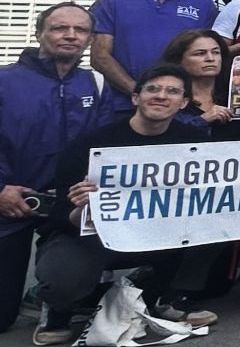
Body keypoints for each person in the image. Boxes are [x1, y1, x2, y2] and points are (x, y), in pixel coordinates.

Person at [33, 64, 216, 341]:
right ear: (135, 98)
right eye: (152, 89)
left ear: (184, 103)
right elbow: (59, 215)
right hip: (90, 236)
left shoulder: (193, 141)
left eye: (172, 91)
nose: (161, 96)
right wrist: (80, 209)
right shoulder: (91, 144)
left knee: (221, 227)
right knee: (64, 277)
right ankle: (59, 306)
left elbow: (222, 193)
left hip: (157, 232)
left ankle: (163, 296)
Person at [0, 4, 111, 336]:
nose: (70, 35)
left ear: (90, 39)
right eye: (60, 28)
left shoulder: (97, 84)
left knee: (69, 277)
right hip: (9, 201)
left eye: (80, 30)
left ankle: (52, 296)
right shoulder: (5, 81)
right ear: (39, 34)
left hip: (66, 204)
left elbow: (104, 149)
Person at [88, 0, 217, 112]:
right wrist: (138, 91)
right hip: (122, 107)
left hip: (183, 109)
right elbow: (100, 57)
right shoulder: (112, 2)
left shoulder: (203, 4)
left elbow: (210, 57)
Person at [159, 30, 240, 142]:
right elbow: (160, 137)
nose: (210, 59)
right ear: (179, 59)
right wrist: (202, 121)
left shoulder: (236, 94)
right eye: (200, 53)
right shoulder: (165, 98)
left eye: (216, 52)